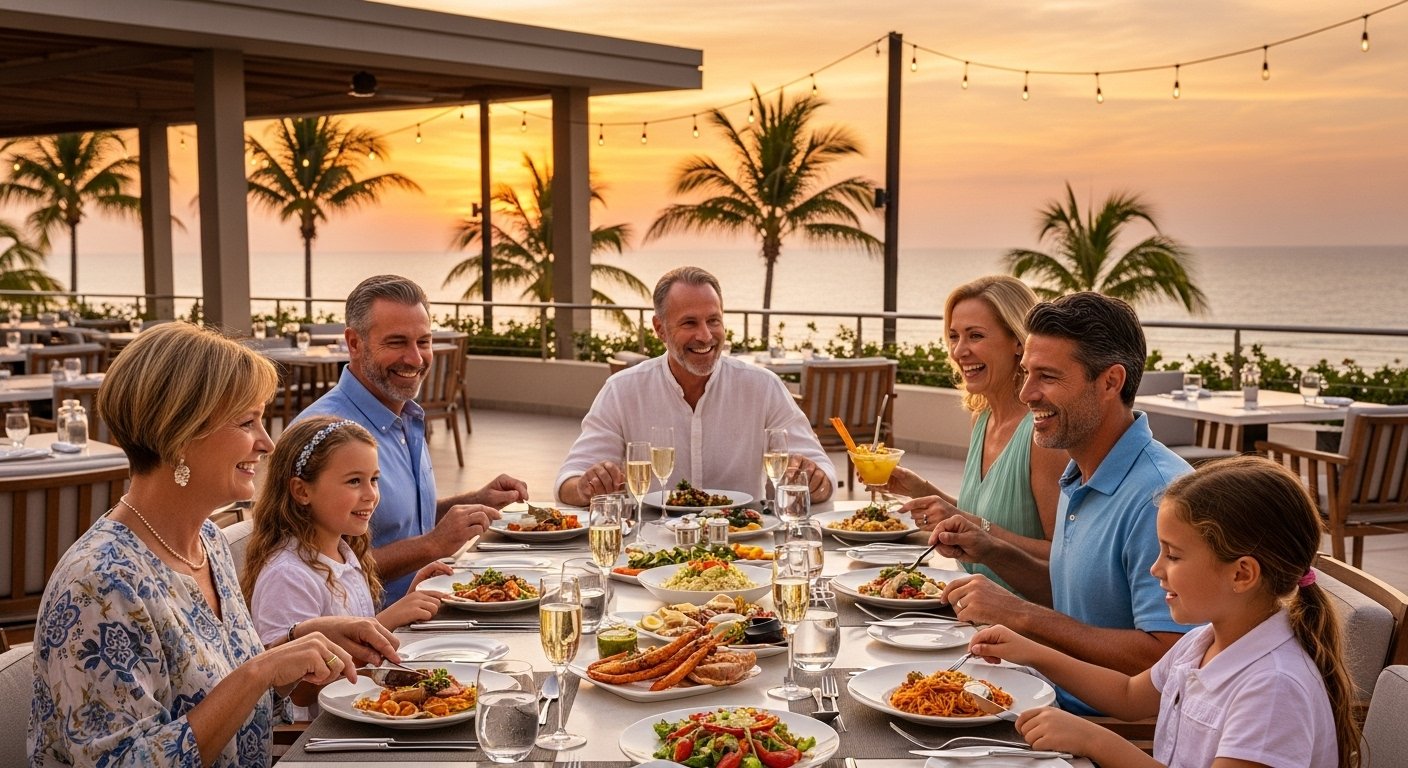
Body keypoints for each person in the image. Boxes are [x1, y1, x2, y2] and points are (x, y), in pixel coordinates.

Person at [30, 323, 400, 767]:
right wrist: (258, 674)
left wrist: (295, 644)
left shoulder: (206, 542)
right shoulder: (100, 585)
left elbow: (208, 686)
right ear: (180, 435)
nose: (266, 443)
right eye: (247, 422)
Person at [968, 456, 1357, 767]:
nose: (1155, 569)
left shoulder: (1274, 688)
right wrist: (1029, 649)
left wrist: (1096, 741)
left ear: (1242, 574)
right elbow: (1128, 694)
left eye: (1173, 555)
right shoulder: (1204, 642)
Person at [932, 291, 1194, 713]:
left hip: (1094, 727)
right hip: (1036, 692)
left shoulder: (1161, 499)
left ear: (1110, 382)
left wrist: (1022, 615)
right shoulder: (1079, 471)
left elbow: (1168, 657)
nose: (1027, 394)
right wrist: (992, 550)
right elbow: (1077, 596)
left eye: (1048, 378)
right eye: (1027, 373)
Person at [298, 275, 527, 601]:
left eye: (423, 341)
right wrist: (433, 545)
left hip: (432, 607)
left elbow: (400, 522)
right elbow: (318, 571)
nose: (416, 359)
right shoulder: (323, 432)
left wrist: (475, 500)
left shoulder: (407, 416)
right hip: (375, 634)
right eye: (396, 343)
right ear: (354, 343)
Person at [556, 266, 835, 508]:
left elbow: (822, 474)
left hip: (745, 546)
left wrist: (814, 479)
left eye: (713, 320)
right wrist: (585, 486)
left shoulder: (763, 387)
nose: (705, 336)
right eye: (689, 322)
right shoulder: (622, 390)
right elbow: (569, 481)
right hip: (653, 549)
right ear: (660, 328)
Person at [242, 416, 452, 715]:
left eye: (374, 479)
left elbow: (355, 630)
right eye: (354, 481)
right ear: (302, 491)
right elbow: (298, 693)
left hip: (361, 708)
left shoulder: (344, 551)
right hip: (322, 728)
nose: (371, 494)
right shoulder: (287, 576)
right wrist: (388, 620)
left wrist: (411, 598)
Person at [885, 275, 1066, 591]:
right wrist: (921, 489)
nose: (959, 351)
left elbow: (1063, 558)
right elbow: (985, 519)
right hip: (971, 606)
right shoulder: (982, 417)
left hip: (1020, 625)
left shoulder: (1042, 434)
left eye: (976, 336)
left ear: (1019, 342)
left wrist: (969, 524)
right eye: (954, 336)